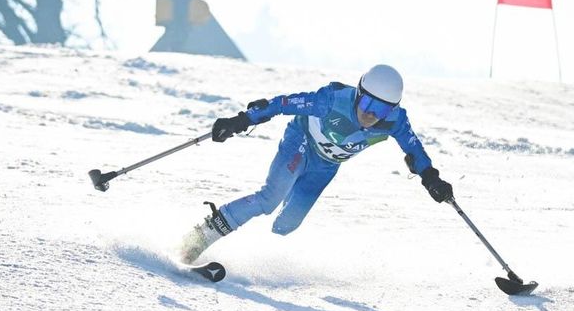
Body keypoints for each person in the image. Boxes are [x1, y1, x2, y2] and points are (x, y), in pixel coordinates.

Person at [178, 64, 454, 264]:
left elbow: (414, 150)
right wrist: (242, 120)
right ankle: (201, 236)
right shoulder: (331, 100)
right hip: (300, 144)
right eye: (368, 102)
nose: (371, 114)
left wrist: (431, 178)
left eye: (381, 108)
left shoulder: (396, 121)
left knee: (285, 226)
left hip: (325, 167)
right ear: (358, 93)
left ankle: (247, 250)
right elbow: (282, 103)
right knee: (269, 199)